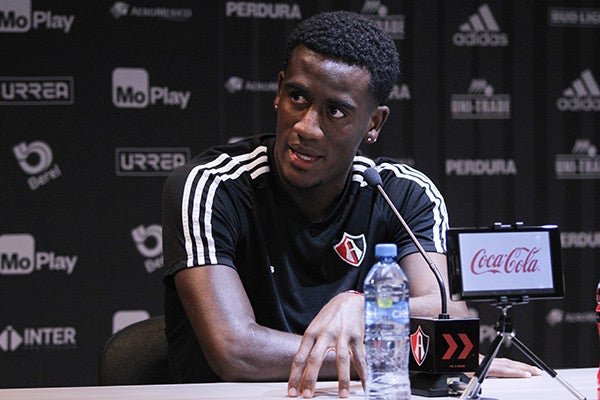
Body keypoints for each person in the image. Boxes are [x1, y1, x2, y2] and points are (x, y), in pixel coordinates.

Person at [162, 10, 540, 399]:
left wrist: (364, 309)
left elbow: (449, 313)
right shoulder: (213, 186)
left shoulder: (403, 194)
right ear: (278, 91)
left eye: (336, 111)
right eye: (297, 97)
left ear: (374, 123)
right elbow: (236, 351)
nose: (307, 127)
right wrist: (403, 354)